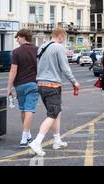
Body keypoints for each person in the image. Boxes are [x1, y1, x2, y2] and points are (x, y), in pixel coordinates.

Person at [29, 28, 81, 157]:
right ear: (61, 36)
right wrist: (74, 82)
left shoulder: (42, 47)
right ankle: (37, 142)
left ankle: (57, 141)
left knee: (56, 112)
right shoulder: (58, 48)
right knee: (52, 114)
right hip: (52, 85)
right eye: (65, 37)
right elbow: (65, 67)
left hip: (41, 84)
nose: (65, 40)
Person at [6, 29, 39, 148]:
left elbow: (13, 70)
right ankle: (26, 136)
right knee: (29, 110)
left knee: (24, 110)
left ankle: (25, 137)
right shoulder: (38, 50)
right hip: (34, 84)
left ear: (23, 37)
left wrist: (9, 88)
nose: (17, 40)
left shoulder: (16, 52)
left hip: (19, 85)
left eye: (18, 37)